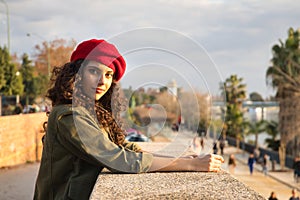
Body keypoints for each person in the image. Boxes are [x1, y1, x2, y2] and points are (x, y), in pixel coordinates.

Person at [33, 39, 224, 200]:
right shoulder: (70, 115)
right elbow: (118, 158)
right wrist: (191, 165)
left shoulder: (89, 111)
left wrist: (180, 158)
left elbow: (126, 147)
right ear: (77, 73)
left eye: (108, 75)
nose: (102, 81)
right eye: (94, 71)